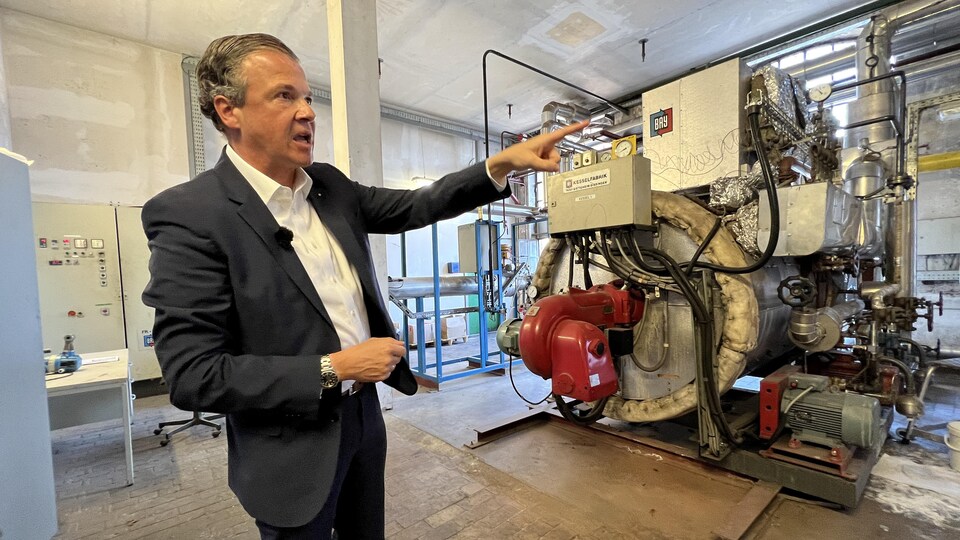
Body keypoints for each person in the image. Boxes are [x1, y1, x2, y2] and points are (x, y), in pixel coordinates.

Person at [142, 32, 587, 539]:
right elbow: (193, 375)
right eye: (285, 96)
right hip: (290, 448)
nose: (308, 112)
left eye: (308, 97)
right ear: (229, 110)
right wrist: (334, 368)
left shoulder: (328, 186)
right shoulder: (190, 214)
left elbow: (417, 205)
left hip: (361, 420)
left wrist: (501, 165)